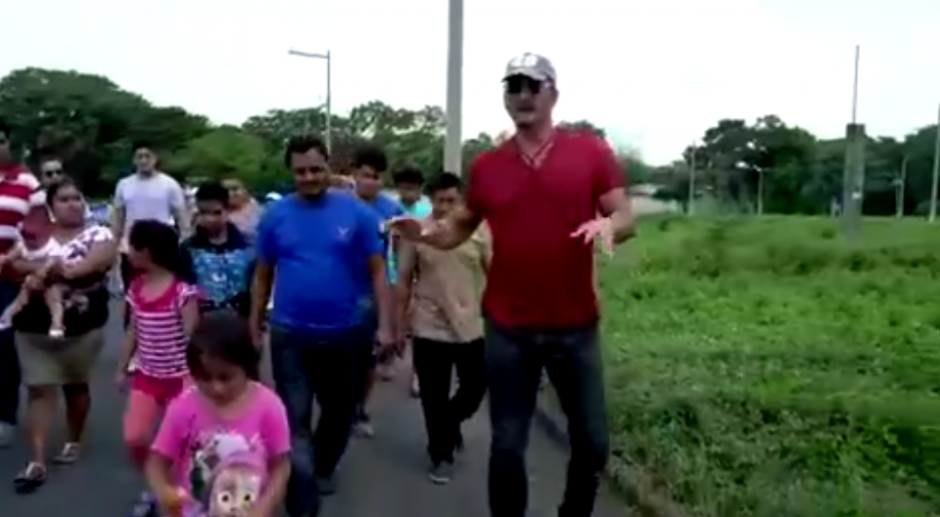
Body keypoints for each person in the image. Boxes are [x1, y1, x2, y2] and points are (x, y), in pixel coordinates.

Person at [390, 53, 636, 517]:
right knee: (507, 447)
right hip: (509, 328)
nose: (522, 95)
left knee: (592, 442)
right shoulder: (487, 167)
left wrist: (611, 227)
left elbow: (623, 213)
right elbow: (458, 228)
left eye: (532, 85)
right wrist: (423, 232)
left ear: (553, 95)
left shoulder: (590, 153)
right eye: (513, 87)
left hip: (574, 325)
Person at [249, 135, 395, 517]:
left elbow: (379, 272)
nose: (309, 177)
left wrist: (385, 326)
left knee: (339, 412)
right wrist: (254, 325)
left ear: (329, 167)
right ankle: (302, 498)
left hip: (346, 333)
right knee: (294, 421)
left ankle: (323, 464)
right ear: (291, 172)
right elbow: (262, 276)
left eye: (316, 169)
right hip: (290, 334)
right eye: (300, 171)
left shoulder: (359, 215)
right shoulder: (275, 216)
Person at [9, 178, 116, 492]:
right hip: (33, 329)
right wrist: (48, 267)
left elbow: (89, 266)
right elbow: (14, 265)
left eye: (77, 198)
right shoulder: (34, 234)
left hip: (81, 329)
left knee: (75, 387)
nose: (73, 204)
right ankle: (38, 459)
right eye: (65, 199)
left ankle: (74, 439)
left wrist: (47, 269)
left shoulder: (100, 233)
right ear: (51, 207)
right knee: (39, 389)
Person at [395, 172, 490, 485]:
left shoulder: (480, 231)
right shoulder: (416, 233)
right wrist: (398, 325)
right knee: (433, 396)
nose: (446, 207)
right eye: (440, 201)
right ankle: (441, 454)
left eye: (452, 200)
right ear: (430, 201)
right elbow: (404, 280)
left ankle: (448, 426)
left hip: (471, 325)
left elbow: (496, 275)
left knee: (475, 388)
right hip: (428, 325)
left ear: (461, 200)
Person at [147, 310, 290, 517]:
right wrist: (164, 491)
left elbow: (281, 466)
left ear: (247, 367)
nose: (217, 388)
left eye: (226, 377)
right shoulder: (183, 407)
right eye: (205, 377)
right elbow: (157, 462)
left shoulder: (269, 407)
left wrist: (266, 504)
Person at [117, 220, 200, 515]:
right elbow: (134, 330)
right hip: (147, 376)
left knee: (180, 443)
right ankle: (155, 485)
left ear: (147, 251)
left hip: (179, 379)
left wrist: (192, 378)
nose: (127, 252)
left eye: (132, 247)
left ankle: (179, 494)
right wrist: (122, 366)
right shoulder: (136, 287)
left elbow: (193, 338)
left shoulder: (182, 292)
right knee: (135, 437)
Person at [349, 144, 404, 439]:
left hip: (374, 292)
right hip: (339, 291)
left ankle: (359, 409)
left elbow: (398, 257)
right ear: (355, 174)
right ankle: (340, 407)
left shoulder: (392, 210)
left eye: (377, 177)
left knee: (368, 358)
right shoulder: (336, 203)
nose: (371, 182)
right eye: (366, 175)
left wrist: (397, 309)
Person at [0, 118, 44, 449]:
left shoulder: (28, 183)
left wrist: (14, 257)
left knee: (3, 349)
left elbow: (40, 234)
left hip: (10, 278)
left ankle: (5, 415)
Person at [111, 142, 190, 295]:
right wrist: (113, 247)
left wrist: (183, 244)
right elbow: (118, 218)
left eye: (147, 156)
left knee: (163, 293)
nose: (143, 160)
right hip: (131, 248)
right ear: (134, 160)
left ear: (155, 159)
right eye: (139, 157)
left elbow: (182, 217)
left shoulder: (170, 184)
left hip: (162, 249)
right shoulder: (124, 184)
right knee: (132, 293)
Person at [181, 182, 254, 317]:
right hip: (202, 327)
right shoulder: (187, 249)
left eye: (216, 213)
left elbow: (255, 291)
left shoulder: (247, 248)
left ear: (227, 211)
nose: (210, 219)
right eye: (204, 213)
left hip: (241, 324)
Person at [389, 165, 431, 397]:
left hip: (418, 277)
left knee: (418, 326)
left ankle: (418, 374)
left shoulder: (427, 210)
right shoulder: (389, 208)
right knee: (392, 321)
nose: (408, 193)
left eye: (412, 189)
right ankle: (386, 356)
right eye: (403, 188)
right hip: (390, 274)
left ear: (420, 189)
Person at [223, 178, 263, 242]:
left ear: (244, 190)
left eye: (235, 189)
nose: (230, 193)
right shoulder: (217, 213)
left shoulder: (257, 209)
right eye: (225, 190)